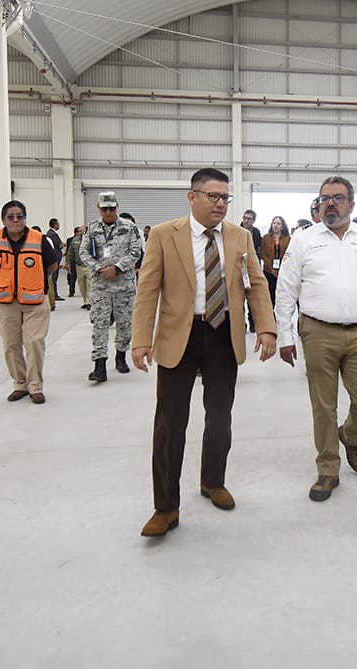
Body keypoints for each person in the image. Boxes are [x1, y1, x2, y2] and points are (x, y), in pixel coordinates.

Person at [131, 168, 276, 538]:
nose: (220, 204)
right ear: (192, 197)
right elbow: (147, 289)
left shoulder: (240, 236)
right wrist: (140, 339)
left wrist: (267, 328)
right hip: (180, 334)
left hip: (223, 335)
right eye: (213, 196)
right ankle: (165, 507)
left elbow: (256, 285)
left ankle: (213, 481)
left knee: (220, 416)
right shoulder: (165, 235)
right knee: (169, 423)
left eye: (225, 197)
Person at [276, 176, 357, 501]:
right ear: (318, 205)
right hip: (317, 331)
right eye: (325, 198)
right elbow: (285, 290)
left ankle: (352, 435)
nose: (330, 203)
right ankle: (328, 469)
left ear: (352, 205)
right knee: (323, 406)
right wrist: (285, 335)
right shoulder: (304, 239)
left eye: (338, 198)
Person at [0, 200, 59, 403]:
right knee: (11, 346)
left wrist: (33, 282)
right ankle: (20, 384)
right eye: (10, 216)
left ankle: (35, 387)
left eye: (19, 216)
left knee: (34, 344)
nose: (15, 220)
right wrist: (2, 283)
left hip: (35, 301)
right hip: (6, 302)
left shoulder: (39, 239)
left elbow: (52, 265)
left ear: (25, 218)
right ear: (3, 219)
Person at [80, 192, 143, 382]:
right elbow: (84, 253)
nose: (108, 212)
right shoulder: (91, 228)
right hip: (101, 286)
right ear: (99, 209)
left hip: (124, 285)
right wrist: (100, 269)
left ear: (117, 208)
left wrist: (117, 268)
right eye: (105, 209)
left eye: (112, 209)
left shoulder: (130, 227)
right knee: (99, 323)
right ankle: (99, 364)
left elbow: (136, 251)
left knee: (125, 324)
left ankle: (121, 355)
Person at [259, 215, 290, 306]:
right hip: (269, 271)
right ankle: (271, 317)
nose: (275, 225)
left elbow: (289, 255)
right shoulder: (266, 237)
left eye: (278, 223)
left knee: (281, 297)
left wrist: (280, 268)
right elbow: (263, 254)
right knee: (269, 296)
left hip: (283, 271)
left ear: (282, 226)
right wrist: (272, 268)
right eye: (274, 223)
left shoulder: (288, 239)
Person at [44, 218, 65, 308]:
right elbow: (59, 245)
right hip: (54, 259)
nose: (59, 225)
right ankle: (54, 294)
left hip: (55, 258)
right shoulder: (52, 234)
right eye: (58, 223)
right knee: (54, 277)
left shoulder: (50, 233)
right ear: (55, 224)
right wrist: (63, 244)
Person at [69, 225, 90, 309]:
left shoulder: (91, 240)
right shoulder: (75, 240)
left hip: (88, 266)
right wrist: (67, 263)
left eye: (82, 230)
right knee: (82, 285)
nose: (80, 232)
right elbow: (70, 252)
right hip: (79, 266)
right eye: (80, 230)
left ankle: (89, 302)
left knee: (90, 284)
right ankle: (85, 301)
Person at [64, 227, 78, 298]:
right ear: (76, 232)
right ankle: (71, 292)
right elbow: (68, 252)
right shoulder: (70, 240)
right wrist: (67, 262)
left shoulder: (84, 239)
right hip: (73, 261)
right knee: (72, 277)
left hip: (81, 262)